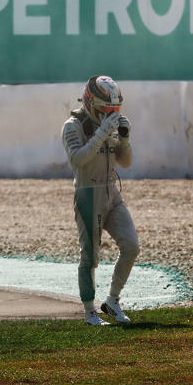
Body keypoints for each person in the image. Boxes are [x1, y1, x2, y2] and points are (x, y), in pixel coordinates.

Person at [61, 75, 139, 326]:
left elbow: (125, 162)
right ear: (91, 104)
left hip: (111, 192)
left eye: (114, 111)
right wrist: (102, 134)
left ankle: (113, 300)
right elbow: (78, 160)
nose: (110, 115)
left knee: (131, 246)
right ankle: (89, 311)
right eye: (106, 110)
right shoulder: (73, 126)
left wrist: (124, 139)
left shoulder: (106, 124)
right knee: (90, 257)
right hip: (88, 193)